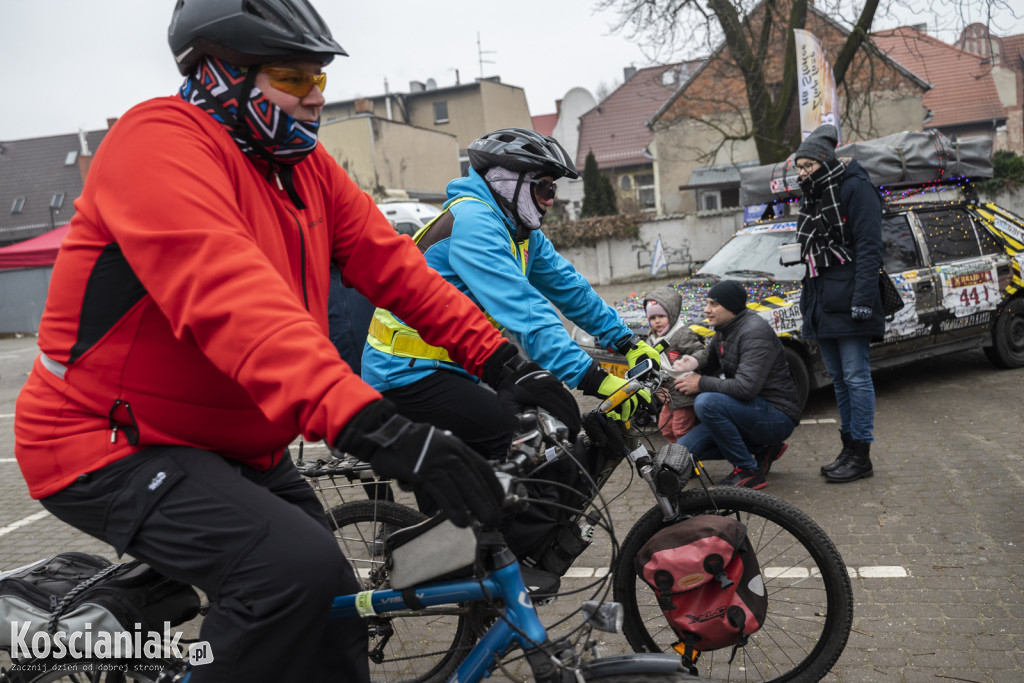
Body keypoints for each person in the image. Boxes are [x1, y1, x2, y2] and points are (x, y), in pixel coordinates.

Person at [12, 3, 577, 682]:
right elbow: (236, 303)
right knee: (289, 576)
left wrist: (505, 361)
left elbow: (396, 269)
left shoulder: (305, 169)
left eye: (320, 78)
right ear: (220, 73)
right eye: (293, 77)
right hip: (105, 440)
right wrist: (380, 428)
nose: (316, 97)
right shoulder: (157, 143)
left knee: (336, 598)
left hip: (234, 442)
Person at [359, 127, 659, 562]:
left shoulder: (518, 232)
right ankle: (458, 562)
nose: (550, 198)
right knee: (514, 433)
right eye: (543, 186)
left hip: (455, 368)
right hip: (405, 372)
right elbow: (527, 314)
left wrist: (627, 341)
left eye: (552, 188)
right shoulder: (474, 223)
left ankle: (482, 549)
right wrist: (595, 379)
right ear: (506, 181)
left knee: (542, 434)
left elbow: (568, 288)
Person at [793, 124, 884, 483]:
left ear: (824, 160)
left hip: (851, 299)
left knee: (857, 377)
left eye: (807, 166)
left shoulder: (854, 186)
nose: (801, 174)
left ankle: (861, 454)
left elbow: (869, 247)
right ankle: (848, 448)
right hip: (821, 297)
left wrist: (863, 299)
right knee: (839, 380)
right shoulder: (814, 194)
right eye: (798, 168)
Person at [674, 280, 801, 489]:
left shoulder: (753, 332)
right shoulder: (725, 328)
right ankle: (764, 450)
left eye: (713, 304)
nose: (707, 310)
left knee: (707, 402)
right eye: (707, 303)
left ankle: (748, 470)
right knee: (683, 451)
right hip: (749, 411)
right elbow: (710, 359)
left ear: (731, 306)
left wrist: (701, 383)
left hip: (778, 415)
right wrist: (692, 363)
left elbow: (745, 387)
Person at [643, 287, 707, 441]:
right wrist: (656, 388)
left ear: (671, 315)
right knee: (665, 428)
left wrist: (691, 362)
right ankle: (680, 453)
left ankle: (687, 455)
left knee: (680, 430)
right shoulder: (651, 339)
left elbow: (701, 352)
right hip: (668, 394)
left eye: (661, 316)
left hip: (683, 392)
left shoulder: (681, 334)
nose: (657, 321)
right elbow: (652, 367)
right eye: (652, 318)